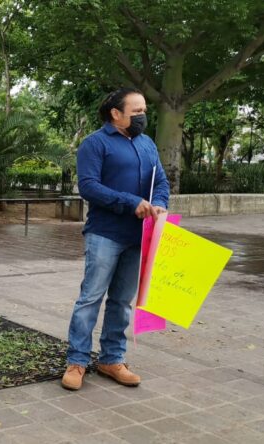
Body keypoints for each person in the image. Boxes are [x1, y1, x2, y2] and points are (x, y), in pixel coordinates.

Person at [61, 87, 170, 391]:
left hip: (139, 237)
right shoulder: (94, 144)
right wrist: (129, 202)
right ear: (116, 113)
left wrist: (159, 203)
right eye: (136, 111)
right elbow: (89, 187)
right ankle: (77, 361)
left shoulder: (148, 144)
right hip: (105, 234)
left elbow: (160, 180)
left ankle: (111, 359)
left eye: (144, 110)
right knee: (90, 299)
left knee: (122, 302)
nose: (143, 116)